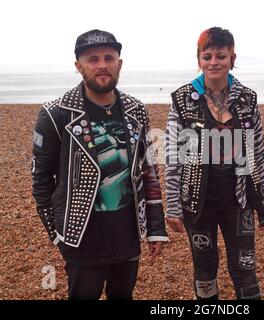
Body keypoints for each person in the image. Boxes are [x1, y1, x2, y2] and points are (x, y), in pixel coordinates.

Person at [31, 29, 168, 300]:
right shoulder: (55, 113)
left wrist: (155, 228)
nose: (102, 64)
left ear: (120, 63)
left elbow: (148, 171)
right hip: (81, 239)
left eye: (109, 57)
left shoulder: (136, 110)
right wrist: (58, 234)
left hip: (128, 236)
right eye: (93, 59)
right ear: (78, 66)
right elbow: (41, 181)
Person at [165, 27, 264, 300]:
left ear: (232, 58)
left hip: (240, 200)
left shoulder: (248, 98)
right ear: (199, 59)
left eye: (221, 56)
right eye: (208, 56)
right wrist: (174, 206)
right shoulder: (181, 99)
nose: (214, 62)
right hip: (197, 202)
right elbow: (172, 156)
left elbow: (258, 152)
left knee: (244, 269)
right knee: (204, 268)